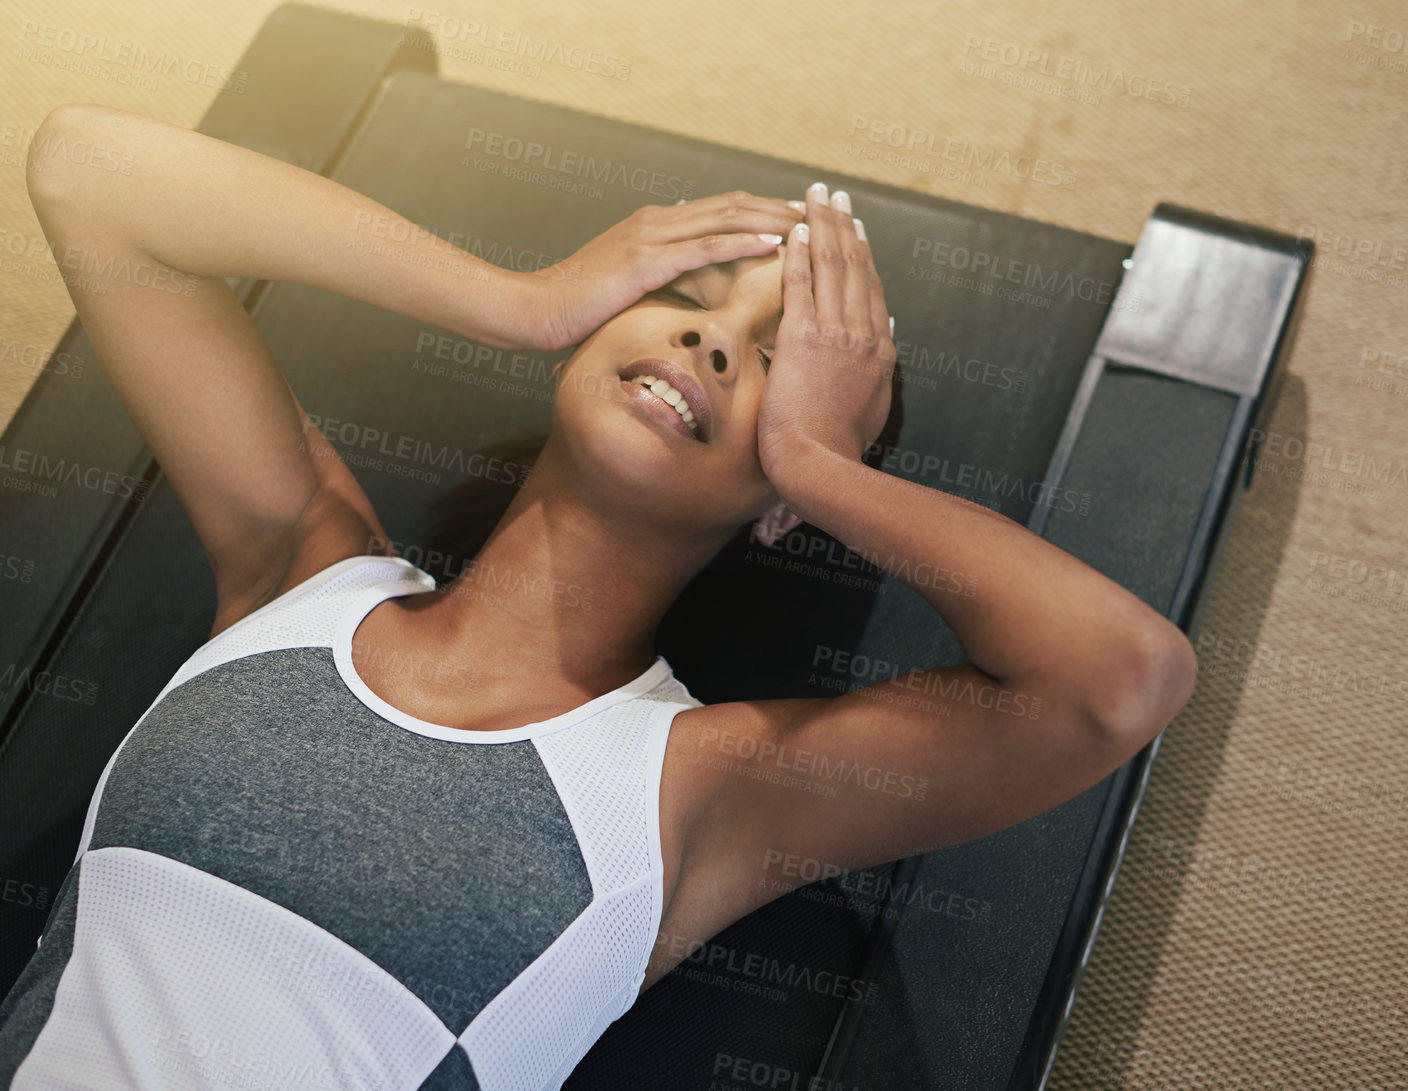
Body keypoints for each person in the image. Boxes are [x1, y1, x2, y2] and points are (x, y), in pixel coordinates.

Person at [0, 102, 1197, 1089]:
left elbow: (1117, 679)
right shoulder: (300, 573)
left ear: (784, 502)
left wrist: (825, 467)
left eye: (775, 361)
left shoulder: (703, 790)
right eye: (701, 294)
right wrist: (516, 301)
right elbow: (89, 170)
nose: (711, 342)